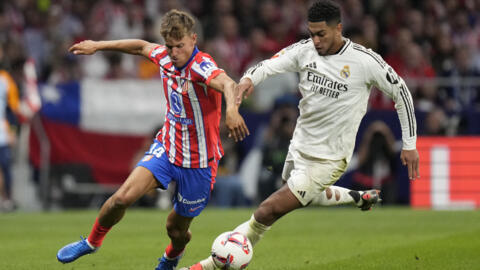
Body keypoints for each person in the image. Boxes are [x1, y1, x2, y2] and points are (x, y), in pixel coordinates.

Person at [182, 1, 419, 269]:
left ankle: (207, 265)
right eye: (312, 33)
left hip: (329, 158)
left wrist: (409, 145)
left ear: (338, 28)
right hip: (299, 146)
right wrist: (249, 79)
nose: (315, 40)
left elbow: (402, 94)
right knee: (304, 195)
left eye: (321, 34)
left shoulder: (365, 61)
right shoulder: (305, 50)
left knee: (267, 210)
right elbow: (269, 65)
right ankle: (357, 197)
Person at [56, 9, 249, 270]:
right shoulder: (164, 56)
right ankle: (92, 242)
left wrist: (231, 111)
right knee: (121, 198)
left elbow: (227, 84)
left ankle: (172, 256)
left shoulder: (201, 66)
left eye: (180, 45)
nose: (174, 52)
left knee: (176, 229)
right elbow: (140, 47)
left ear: (193, 39)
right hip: (167, 149)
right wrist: (97, 46)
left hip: (199, 163)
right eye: (170, 46)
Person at [0, 67, 20, 212]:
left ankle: (7, 199)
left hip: (2, 132)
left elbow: (11, 109)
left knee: (5, 166)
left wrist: (13, 131)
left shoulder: (5, 79)